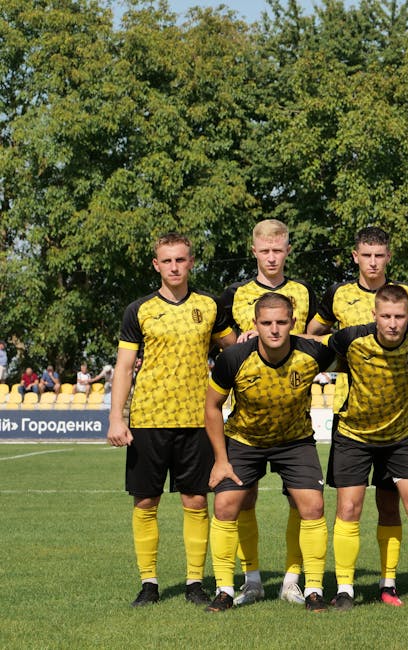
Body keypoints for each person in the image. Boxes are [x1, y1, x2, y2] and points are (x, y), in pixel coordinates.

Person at [107, 232, 236, 608]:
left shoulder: (210, 306)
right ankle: (149, 582)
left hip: (198, 419)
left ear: (191, 262)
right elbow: (125, 366)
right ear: (156, 265)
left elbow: (235, 351)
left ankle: (195, 582)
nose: (174, 267)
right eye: (167, 261)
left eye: (181, 260)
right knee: (145, 502)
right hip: (148, 418)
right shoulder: (139, 310)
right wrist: (118, 418)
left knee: (196, 501)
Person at [307, 226, 408, 607]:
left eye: (380, 255)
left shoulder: (407, 296)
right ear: (356, 256)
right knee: (348, 507)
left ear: (388, 257)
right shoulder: (338, 295)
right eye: (366, 255)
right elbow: (315, 334)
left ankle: (389, 584)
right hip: (352, 416)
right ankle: (345, 588)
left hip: (398, 421)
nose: (373, 262)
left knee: (394, 506)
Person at [203, 293, 333, 613]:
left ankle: (309, 587)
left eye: (281, 322)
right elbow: (211, 406)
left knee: (313, 506)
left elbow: (356, 342)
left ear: (292, 324)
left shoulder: (313, 352)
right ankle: (234, 587)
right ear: (255, 325)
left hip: (295, 441)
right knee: (226, 504)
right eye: (266, 323)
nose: (274, 329)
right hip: (245, 441)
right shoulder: (233, 358)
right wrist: (221, 460)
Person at [325, 284, 408, 611]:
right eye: (386, 316)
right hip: (354, 434)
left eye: (399, 316)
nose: (393, 323)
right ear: (374, 316)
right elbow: (313, 346)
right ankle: (345, 590)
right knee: (349, 509)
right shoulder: (351, 338)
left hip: (400, 435)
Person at [219, 219, 318, 606]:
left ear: (287, 250)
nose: (272, 257)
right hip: (248, 417)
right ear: (255, 251)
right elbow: (226, 344)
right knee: (244, 499)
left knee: (302, 501)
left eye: (279, 250)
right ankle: (252, 578)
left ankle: (292, 579)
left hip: (294, 416)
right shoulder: (235, 293)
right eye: (265, 251)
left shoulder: (303, 291)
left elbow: (310, 340)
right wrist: (241, 340)